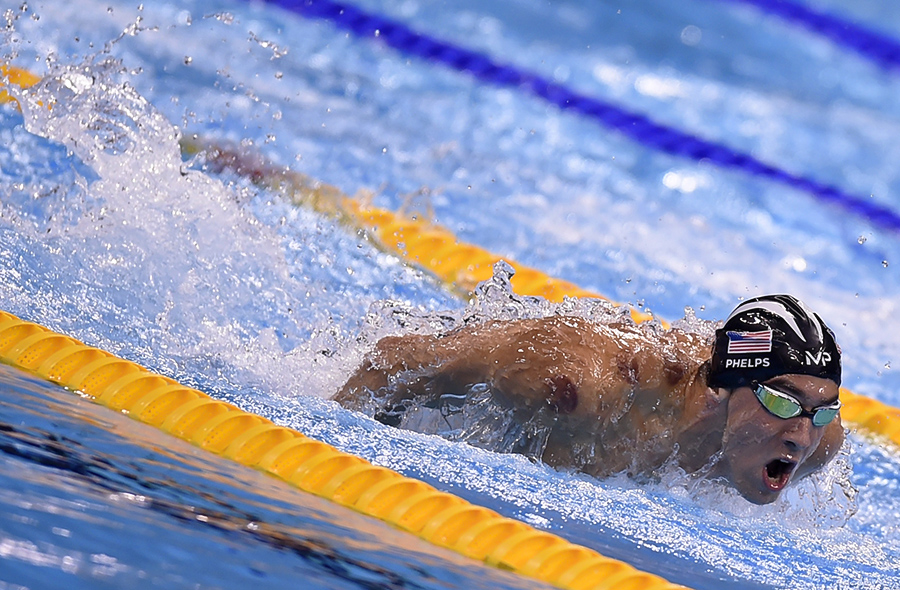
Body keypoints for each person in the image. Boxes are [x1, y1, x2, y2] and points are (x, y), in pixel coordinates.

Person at [334, 294, 844, 505]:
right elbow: (395, 359)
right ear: (723, 391)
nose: (801, 435)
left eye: (822, 410)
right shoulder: (579, 387)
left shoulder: (816, 441)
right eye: (782, 402)